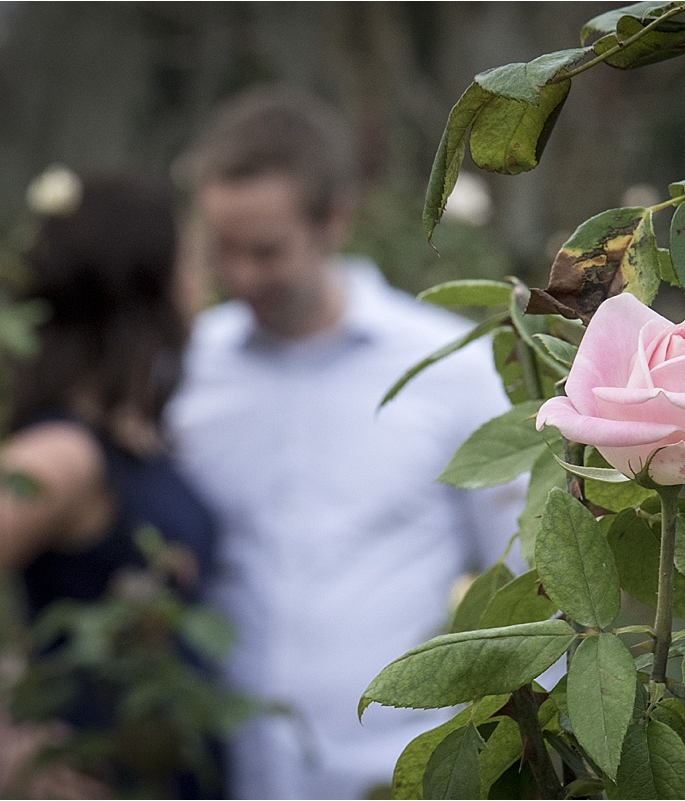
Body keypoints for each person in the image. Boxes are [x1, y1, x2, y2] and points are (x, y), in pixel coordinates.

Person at [169, 87, 525, 800]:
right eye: (223, 250)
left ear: (335, 221)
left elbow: (521, 583)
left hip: (391, 775)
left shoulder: (446, 368)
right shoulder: (187, 369)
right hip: (219, 771)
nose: (240, 276)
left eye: (266, 251)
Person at [0, 170, 219, 797]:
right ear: (144, 284)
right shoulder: (62, 455)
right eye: (191, 260)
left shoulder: (125, 434)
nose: (203, 281)